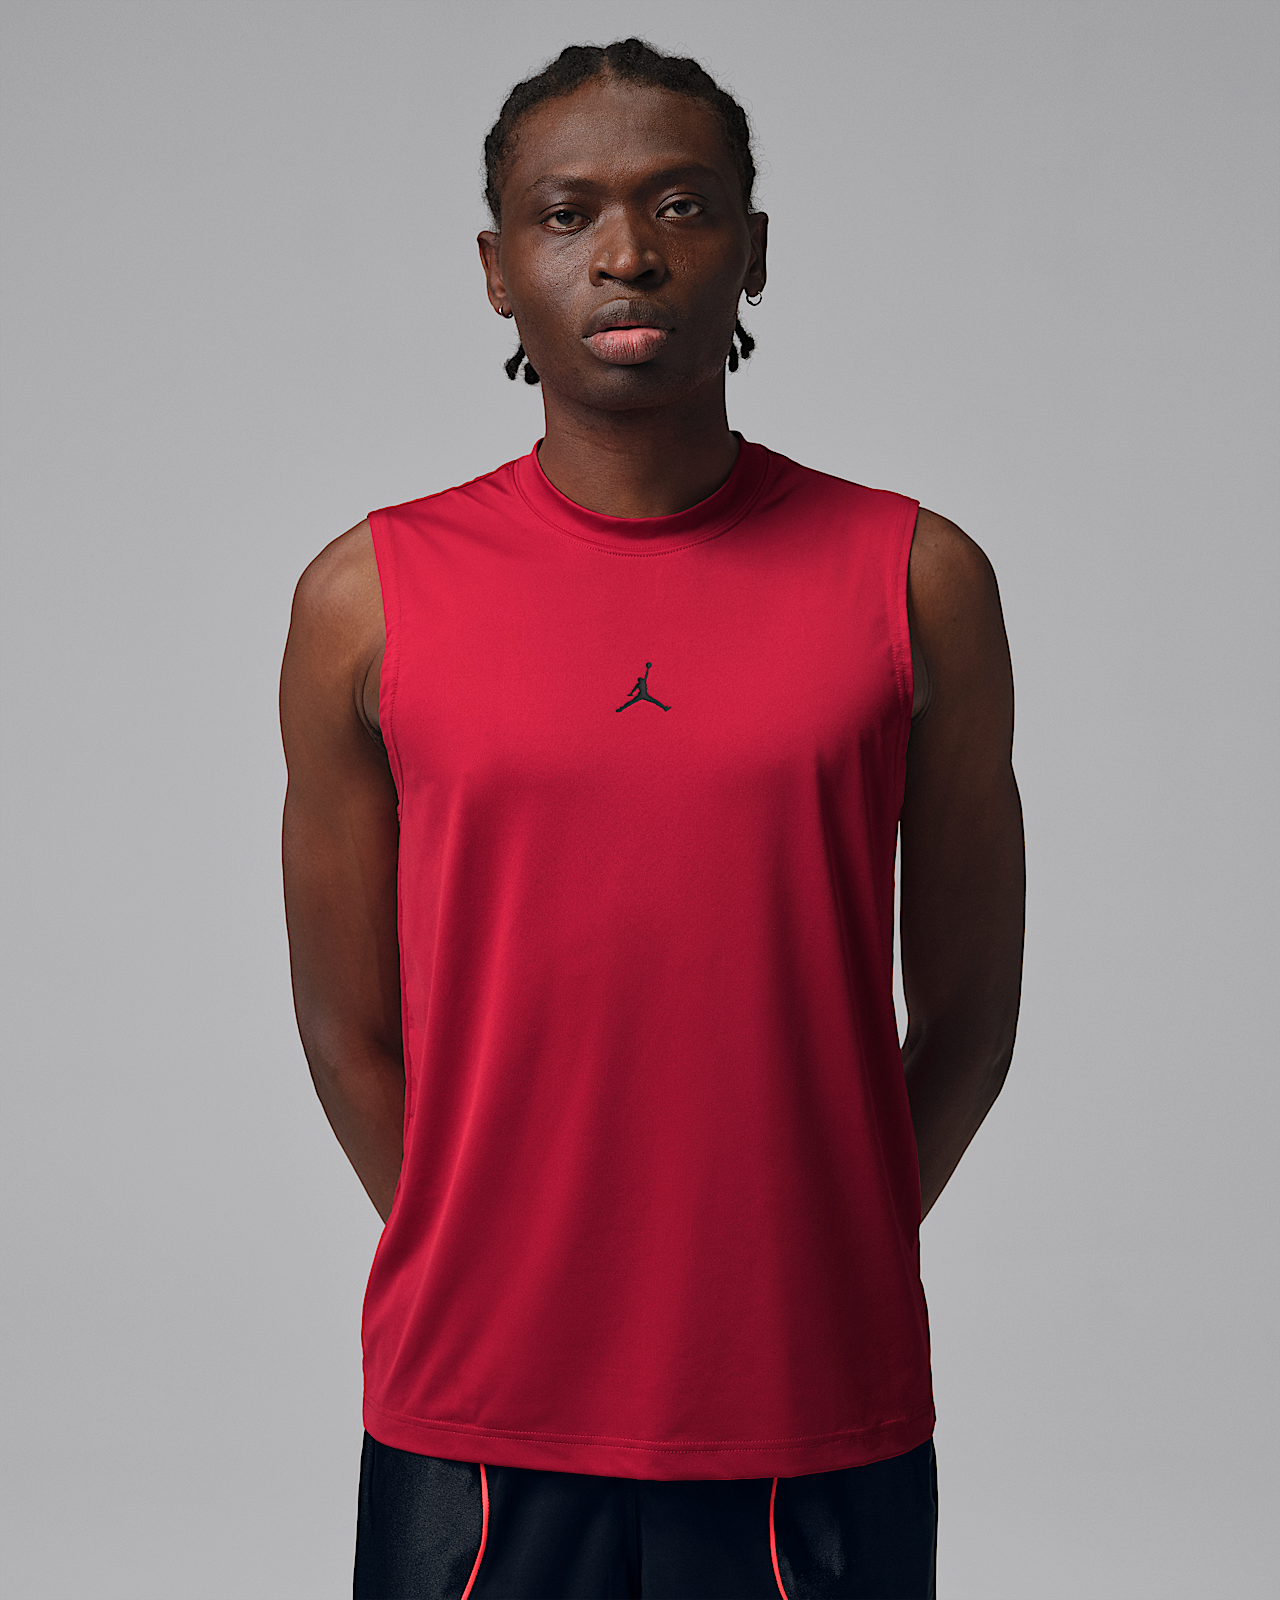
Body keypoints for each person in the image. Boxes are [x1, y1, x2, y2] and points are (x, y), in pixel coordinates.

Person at [280, 37, 1024, 1599]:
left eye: (682, 205)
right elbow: (349, 1031)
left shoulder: (917, 581)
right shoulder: (367, 599)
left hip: (811, 1401)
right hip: (476, 1408)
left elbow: (969, 1019)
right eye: (568, 214)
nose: (626, 254)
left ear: (754, 248)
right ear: (499, 270)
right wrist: (493, 1254)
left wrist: (825, 1247)